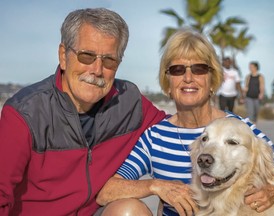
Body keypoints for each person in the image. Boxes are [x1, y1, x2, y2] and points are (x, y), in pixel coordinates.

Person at [96, 29, 274, 216]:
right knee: (124, 210)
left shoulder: (241, 128)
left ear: (212, 80)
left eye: (199, 69)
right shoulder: (155, 137)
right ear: (168, 82)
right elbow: (107, 192)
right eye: (177, 70)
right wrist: (156, 186)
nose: (188, 78)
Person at [0, 8, 166, 215]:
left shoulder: (128, 101)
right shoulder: (24, 113)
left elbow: (175, 131)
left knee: (129, 210)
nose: (96, 70)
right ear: (63, 55)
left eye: (108, 60)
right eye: (86, 56)